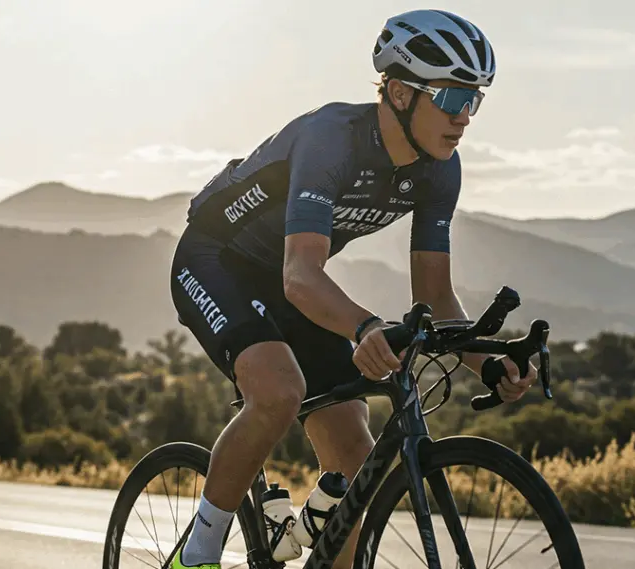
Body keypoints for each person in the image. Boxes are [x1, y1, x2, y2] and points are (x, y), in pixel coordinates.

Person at [168, 9, 536, 569]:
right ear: (399, 92)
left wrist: (487, 363)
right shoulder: (331, 140)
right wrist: (364, 326)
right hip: (216, 260)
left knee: (357, 453)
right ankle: (196, 555)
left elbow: (436, 297)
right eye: (452, 98)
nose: (464, 117)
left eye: (474, 100)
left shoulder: (440, 169)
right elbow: (301, 275)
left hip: (291, 280)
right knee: (279, 391)